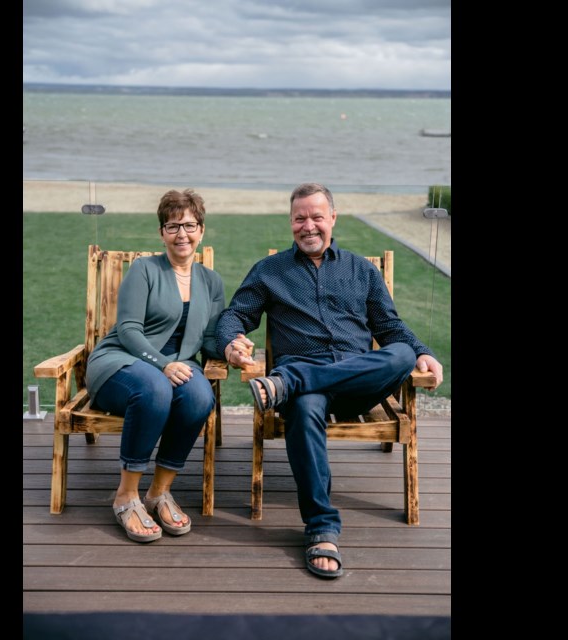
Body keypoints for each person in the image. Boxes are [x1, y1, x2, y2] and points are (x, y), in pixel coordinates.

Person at [217, 182, 443, 578]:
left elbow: (389, 327)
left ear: (332, 219)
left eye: (317, 216)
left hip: (357, 384)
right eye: (300, 218)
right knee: (304, 406)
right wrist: (232, 342)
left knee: (403, 355)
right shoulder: (270, 272)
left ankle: (293, 380)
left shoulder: (361, 270)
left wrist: (422, 351)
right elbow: (235, 315)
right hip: (308, 394)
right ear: (290, 223)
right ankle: (321, 528)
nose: (309, 226)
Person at [86, 189, 225, 543]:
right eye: (173, 226)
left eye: (190, 225)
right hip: (122, 362)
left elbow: (210, 339)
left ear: (202, 230)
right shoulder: (144, 269)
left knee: (198, 397)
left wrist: (233, 346)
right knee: (154, 389)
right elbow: (129, 329)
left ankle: (158, 492)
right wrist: (163, 365)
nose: (182, 234)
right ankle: (126, 495)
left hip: (177, 367)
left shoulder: (211, 282)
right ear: (162, 232)